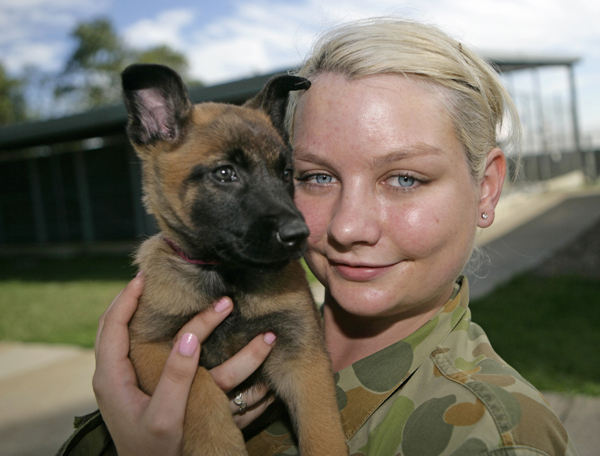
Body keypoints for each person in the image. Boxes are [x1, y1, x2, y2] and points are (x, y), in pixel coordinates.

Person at [59, 18, 579, 456]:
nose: (348, 226)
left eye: (405, 178)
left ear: (486, 189)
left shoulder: (493, 435)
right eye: (317, 177)